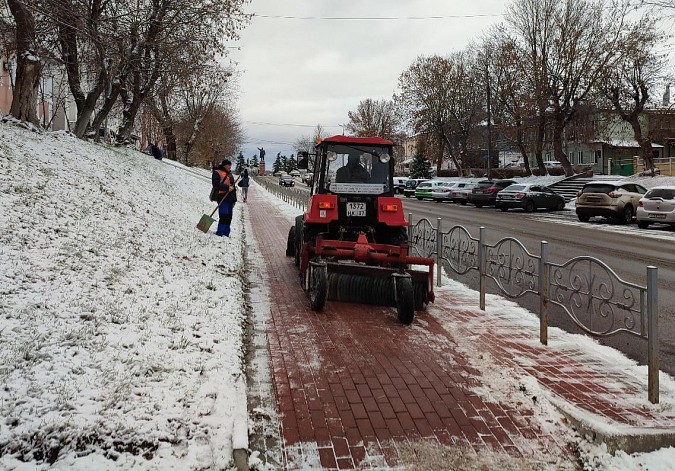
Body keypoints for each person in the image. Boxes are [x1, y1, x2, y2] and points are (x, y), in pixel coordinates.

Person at [211, 159, 237, 236]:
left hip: (230, 199)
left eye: (230, 165)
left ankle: (226, 233)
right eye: (228, 165)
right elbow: (216, 185)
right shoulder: (217, 172)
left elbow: (233, 187)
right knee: (223, 216)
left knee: (229, 217)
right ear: (224, 165)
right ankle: (220, 233)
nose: (230, 167)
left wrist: (234, 198)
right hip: (222, 197)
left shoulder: (230, 174)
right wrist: (227, 187)